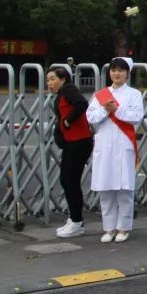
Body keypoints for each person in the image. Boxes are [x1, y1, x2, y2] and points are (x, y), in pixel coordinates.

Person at [86, 57, 144, 243]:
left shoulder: (134, 94)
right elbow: (90, 117)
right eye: (113, 70)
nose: (116, 73)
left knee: (124, 189)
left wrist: (116, 110)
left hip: (124, 144)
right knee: (106, 188)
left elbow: (136, 117)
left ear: (127, 73)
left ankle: (123, 227)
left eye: (120, 70)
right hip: (104, 145)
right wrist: (105, 109)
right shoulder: (100, 94)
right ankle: (109, 228)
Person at [47, 67, 93, 238]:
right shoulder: (62, 93)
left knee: (69, 180)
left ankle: (77, 222)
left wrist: (67, 121)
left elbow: (82, 104)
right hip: (72, 143)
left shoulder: (69, 90)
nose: (50, 83)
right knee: (68, 180)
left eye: (53, 79)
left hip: (79, 142)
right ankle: (75, 219)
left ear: (63, 79)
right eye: (48, 80)